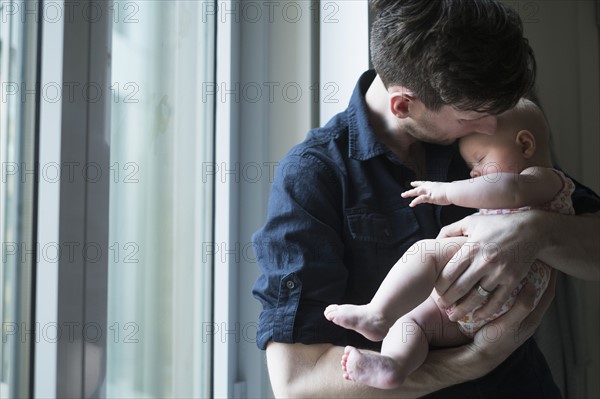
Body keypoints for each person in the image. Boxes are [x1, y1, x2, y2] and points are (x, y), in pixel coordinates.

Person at [252, 1, 600, 397]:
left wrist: (537, 231)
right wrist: (473, 362)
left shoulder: (489, 138)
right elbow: (299, 383)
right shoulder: (314, 175)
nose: (490, 126)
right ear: (403, 105)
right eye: (473, 115)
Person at [323, 99, 573, 389]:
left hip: (508, 281)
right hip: (473, 310)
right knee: (411, 324)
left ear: (525, 145)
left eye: (479, 160)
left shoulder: (545, 179)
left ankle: (377, 311)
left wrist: (448, 191)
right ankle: (393, 365)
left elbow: (508, 189)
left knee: (424, 252)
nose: (473, 173)